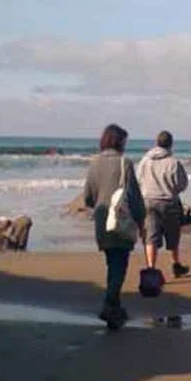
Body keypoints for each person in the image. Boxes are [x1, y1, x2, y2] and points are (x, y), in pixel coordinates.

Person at [83, 124, 146, 329]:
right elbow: (134, 197)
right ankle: (109, 304)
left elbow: (88, 197)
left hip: (102, 220)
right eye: (124, 141)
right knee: (120, 265)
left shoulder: (94, 164)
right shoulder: (124, 164)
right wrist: (141, 220)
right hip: (121, 219)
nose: (126, 145)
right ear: (118, 141)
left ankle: (115, 309)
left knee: (112, 263)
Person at [136, 130, 190, 278]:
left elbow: (138, 180)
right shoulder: (173, 162)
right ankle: (176, 264)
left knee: (151, 237)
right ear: (171, 144)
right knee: (173, 236)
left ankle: (151, 268)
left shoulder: (145, 161)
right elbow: (182, 184)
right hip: (168, 202)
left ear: (156, 143)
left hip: (148, 201)